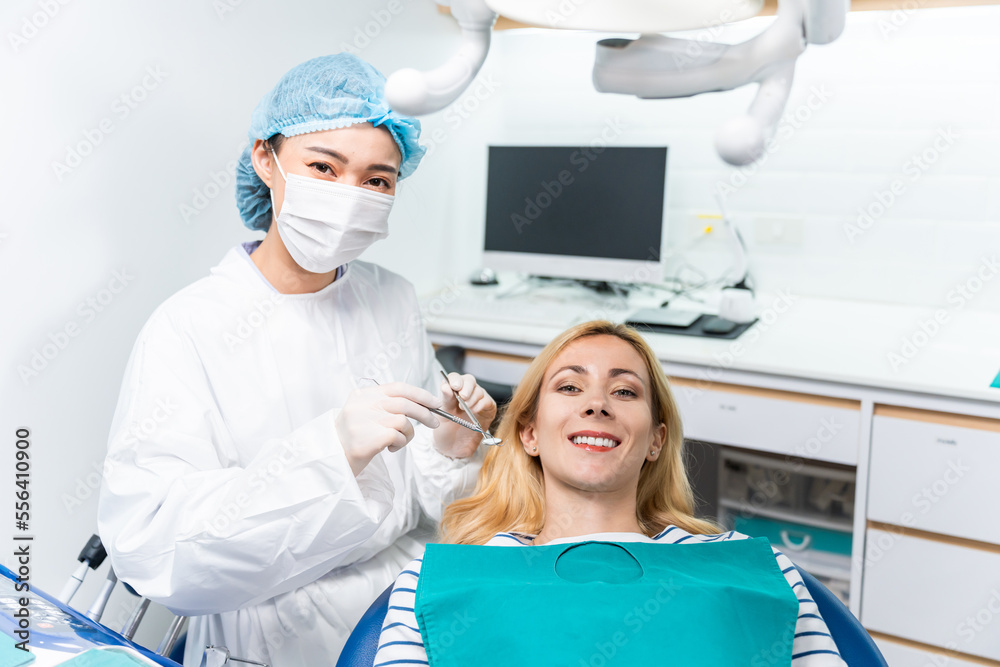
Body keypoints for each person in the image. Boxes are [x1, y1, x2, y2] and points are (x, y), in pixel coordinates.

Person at [98, 53, 495, 666]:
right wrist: (330, 450)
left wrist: (447, 450)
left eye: (376, 180)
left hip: (398, 623)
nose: (349, 196)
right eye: (323, 167)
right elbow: (156, 550)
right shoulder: (189, 326)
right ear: (266, 159)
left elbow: (414, 499)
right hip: (268, 639)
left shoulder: (391, 298)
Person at [375, 321, 847, 666]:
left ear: (656, 440)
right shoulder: (437, 583)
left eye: (624, 392)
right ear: (529, 433)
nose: (596, 403)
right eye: (570, 386)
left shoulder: (755, 571)